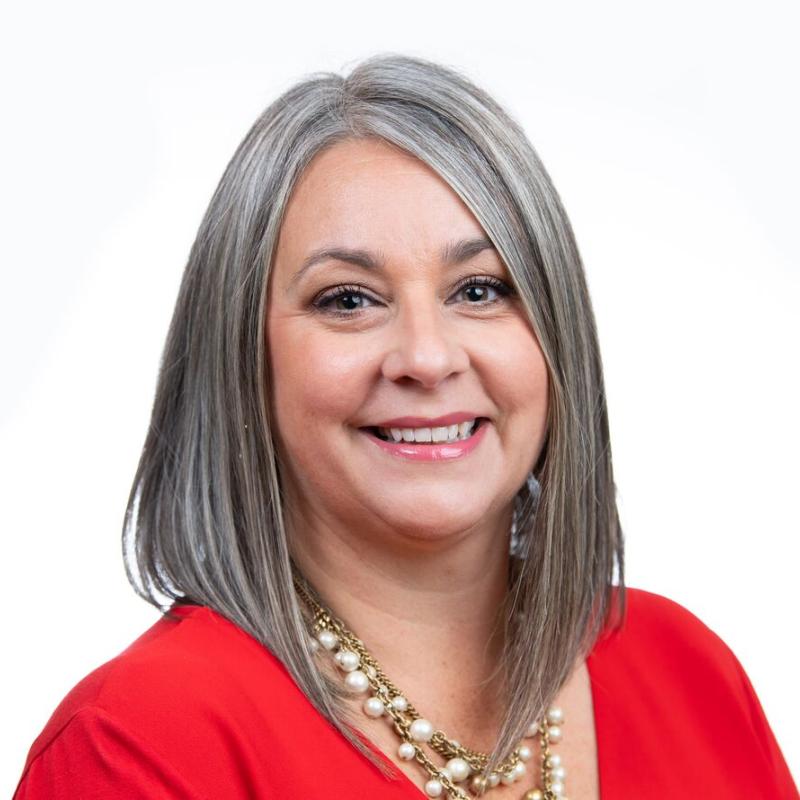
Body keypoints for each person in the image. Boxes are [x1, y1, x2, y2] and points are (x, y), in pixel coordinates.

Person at [13, 54, 797, 800]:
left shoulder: (687, 672)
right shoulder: (138, 741)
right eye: (348, 300)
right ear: (242, 357)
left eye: (480, 290)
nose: (426, 357)